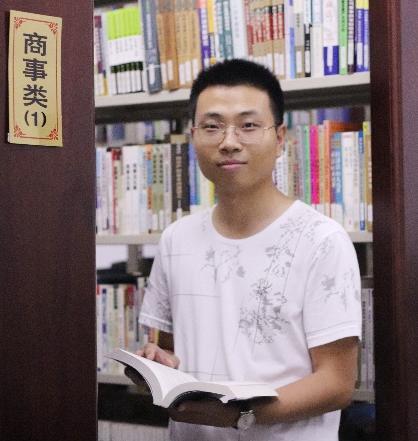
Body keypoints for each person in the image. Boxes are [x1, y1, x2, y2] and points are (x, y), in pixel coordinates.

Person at [129, 58, 362, 441]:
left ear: (280, 137)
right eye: (212, 126)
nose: (229, 142)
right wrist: (155, 364)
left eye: (249, 125)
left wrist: (237, 415)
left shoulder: (322, 241)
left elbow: (336, 384)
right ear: (193, 136)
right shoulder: (175, 239)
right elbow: (168, 352)